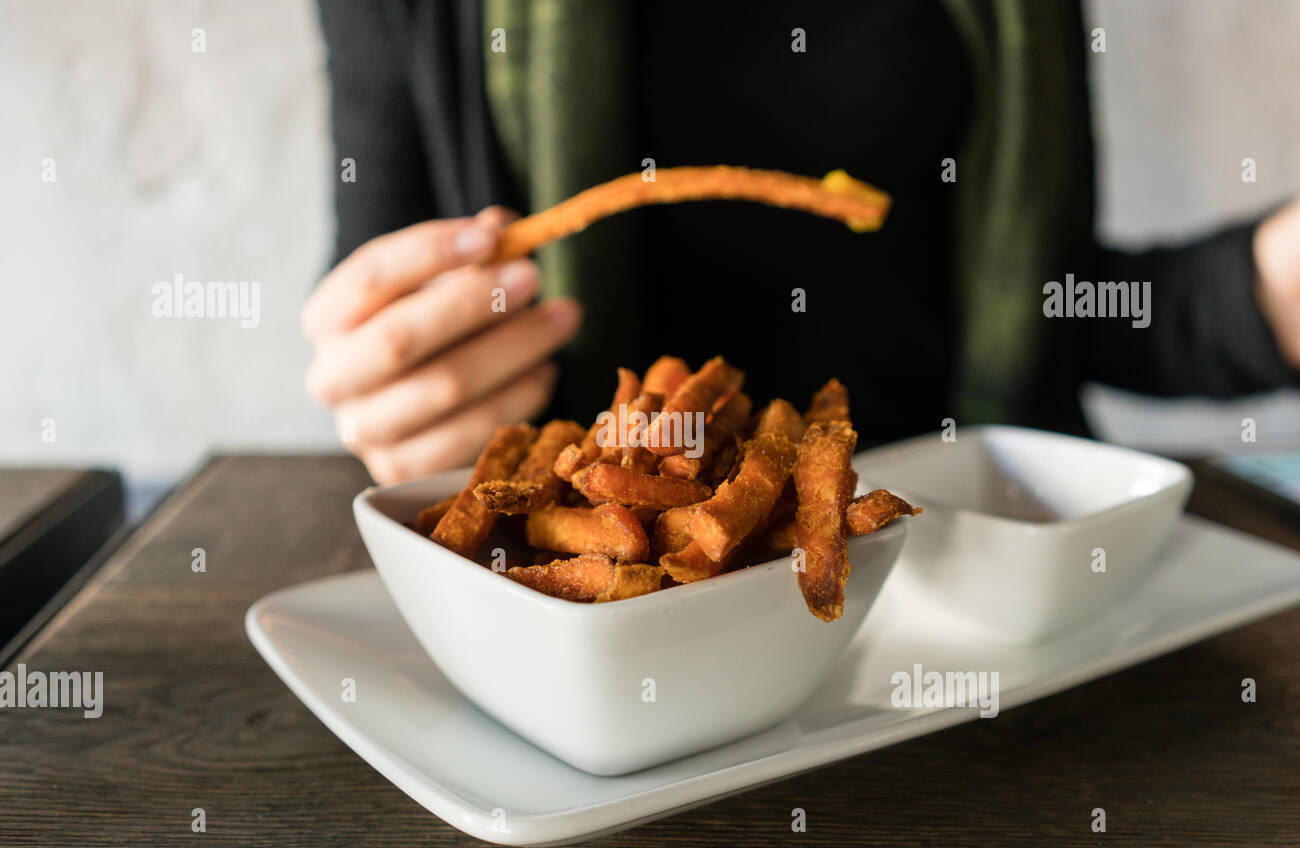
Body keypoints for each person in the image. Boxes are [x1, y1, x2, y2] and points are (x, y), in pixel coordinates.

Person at [302, 0, 1300, 485]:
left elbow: (1047, 310)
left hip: (971, 606)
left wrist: (1274, 282)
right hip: (600, 635)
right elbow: (393, 314)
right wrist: (402, 382)